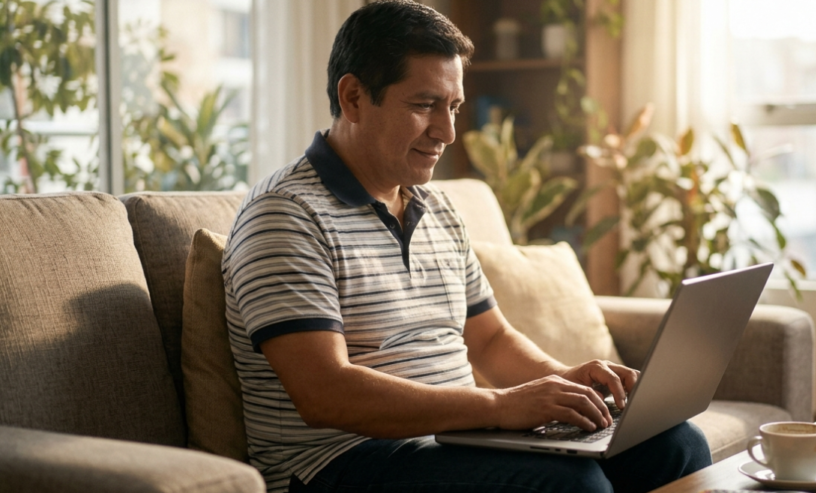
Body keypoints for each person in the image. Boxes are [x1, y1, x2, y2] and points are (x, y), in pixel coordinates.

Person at [222, 1, 712, 492]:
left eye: (452, 106)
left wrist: (567, 385)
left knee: (676, 444)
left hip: (451, 440)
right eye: (424, 105)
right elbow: (325, 394)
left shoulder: (437, 209)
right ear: (353, 98)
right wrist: (502, 407)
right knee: (571, 484)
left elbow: (491, 340)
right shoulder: (284, 214)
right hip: (340, 462)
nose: (448, 132)